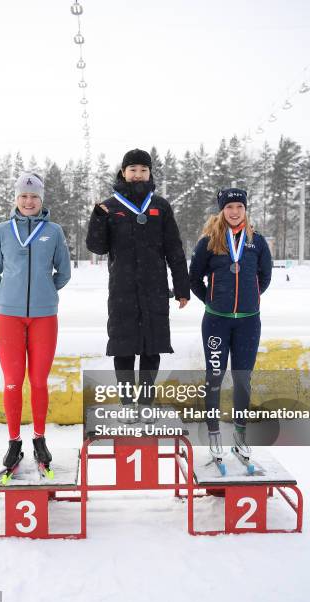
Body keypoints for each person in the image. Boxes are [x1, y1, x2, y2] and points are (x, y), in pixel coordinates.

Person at [86, 149, 190, 422]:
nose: (138, 174)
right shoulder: (110, 206)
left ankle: (145, 402)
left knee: (151, 347)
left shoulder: (161, 206)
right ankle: (127, 404)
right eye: (132, 169)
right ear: (123, 172)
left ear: (149, 173)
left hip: (155, 288)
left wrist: (181, 287)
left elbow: (174, 249)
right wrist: (97, 218)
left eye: (143, 169)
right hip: (122, 290)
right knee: (123, 347)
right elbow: (96, 246)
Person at [0, 172, 71, 473]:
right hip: (8, 317)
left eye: (34, 196)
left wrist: (43, 294)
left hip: (44, 317)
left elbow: (64, 273)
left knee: (37, 381)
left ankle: (38, 438)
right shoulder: (2, 231)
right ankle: (13, 441)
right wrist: (10, 294)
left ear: (41, 199)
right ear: (16, 198)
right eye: (23, 196)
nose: (29, 201)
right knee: (12, 381)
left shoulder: (54, 231)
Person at [189, 188, 272, 464]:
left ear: (245, 209)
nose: (234, 211)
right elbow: (194, 278)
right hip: (216, 322)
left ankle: (240, 436)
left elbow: (265, 276)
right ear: (221, 211)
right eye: (229, 207)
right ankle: (214, 436)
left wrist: (250, 300)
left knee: (242, 378)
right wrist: (212, 301)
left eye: (239, 206)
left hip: (249, 323)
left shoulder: (257, 242)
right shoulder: (209, 242)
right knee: (214, 377)